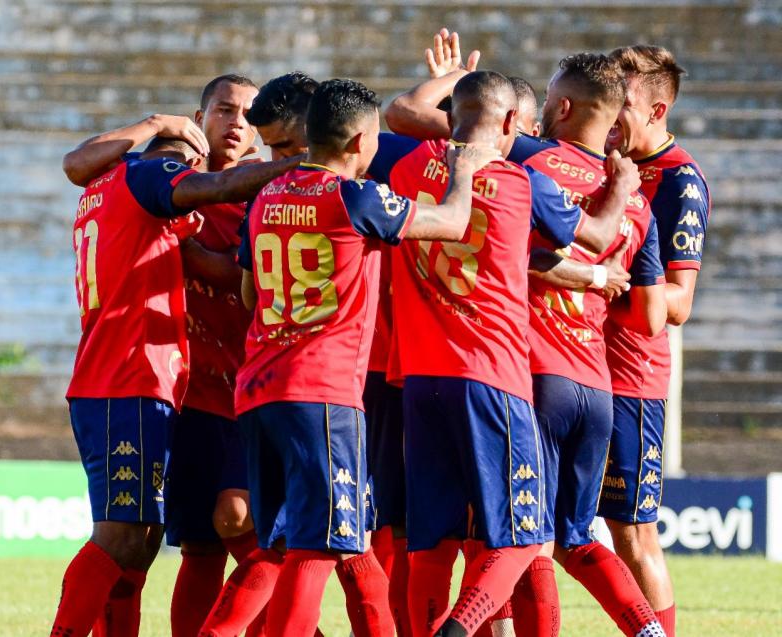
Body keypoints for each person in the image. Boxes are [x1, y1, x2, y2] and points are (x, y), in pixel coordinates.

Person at [197, 78, 498, 637]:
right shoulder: (355, 197)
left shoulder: (267, 195)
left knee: (303, 542)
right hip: (322, 394)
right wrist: (463, 166)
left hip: (259, 389)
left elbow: (247, 293)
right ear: (362, 140)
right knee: (314, 549)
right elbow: (453, 223)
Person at [368, 69, 642, 637]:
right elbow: (592, 235)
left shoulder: (403, 165)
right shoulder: (521, 181)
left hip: (419, 379)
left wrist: (442, 79)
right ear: (515, 122)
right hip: (494, 376)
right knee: (528, 533)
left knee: (431, 542)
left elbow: (395, 113)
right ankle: (461, 628)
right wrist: (620, 186)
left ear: (452, 114)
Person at [50, 135, 298, 637]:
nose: (188, 179)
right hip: (131, 380)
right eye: (184, 168)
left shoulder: (108, 194)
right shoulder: (147, 179)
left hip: (128, 383)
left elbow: (81, 164)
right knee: (121, 538)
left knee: (142, 543)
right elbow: (218, 194)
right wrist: (309, 165)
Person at [507, 53, 668, 637]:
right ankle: (650, 633)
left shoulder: (530, 162)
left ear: (561, 106)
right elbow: (651, 315)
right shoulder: (638, 202)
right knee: (577, 538)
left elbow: (436, 126)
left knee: (524, 539)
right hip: (597, 386)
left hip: (535, 374)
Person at [597, 45, 711, 637]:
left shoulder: (680, 182)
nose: (612, 114)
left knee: (633, 535)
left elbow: (678, 303)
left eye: (625, 104)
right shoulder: (598, 159)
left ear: (657, 108)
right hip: (575, 370)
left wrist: (608, 282)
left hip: (630, 379)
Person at [386, 29, 541, 140]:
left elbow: (403, 110)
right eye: (484, 120)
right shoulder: (449, 153)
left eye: (517, 131)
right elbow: (403, 112)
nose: (494, 132)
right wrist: (449, 93)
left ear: (535, 133)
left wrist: (458, 77)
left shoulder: (534, 180)